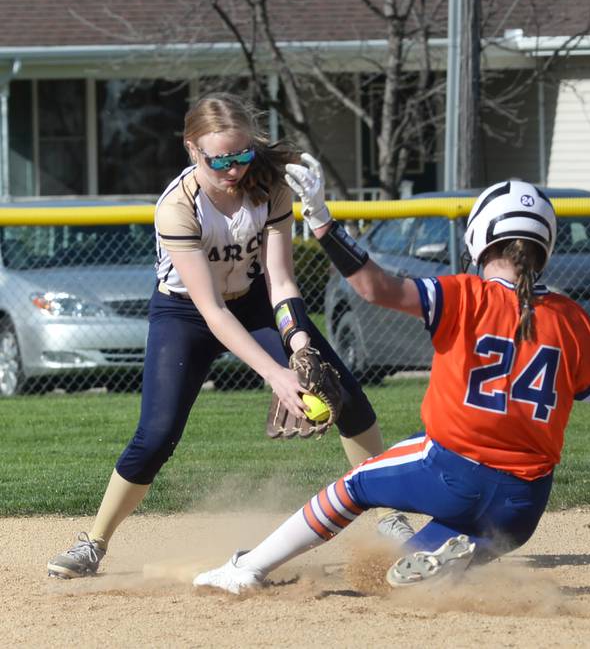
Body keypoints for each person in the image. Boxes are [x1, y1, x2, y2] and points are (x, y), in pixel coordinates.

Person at [192, 163, 590, 594]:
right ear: (545, 245)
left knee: (354, 487)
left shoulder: (465, 294)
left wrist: (321, 219)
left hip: (450, 468)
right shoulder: (572, 319)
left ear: (480, 237)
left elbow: (374, 287)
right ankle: (458, 555)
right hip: (523, 504)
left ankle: (248, 568)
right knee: (404, 573)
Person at [47, 94, 410, 580]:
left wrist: (299, 344)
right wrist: (278, 376)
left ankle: (390, 517)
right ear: (192, 149)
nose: (234, 169)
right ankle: (93, 543)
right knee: (155, 436)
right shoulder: (177, 207)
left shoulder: (267, 186)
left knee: (344, 395)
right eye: (220, 159)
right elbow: (212, 310)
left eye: (242, 156)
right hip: (187, 314)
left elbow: (281, 282)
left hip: (257, 298)